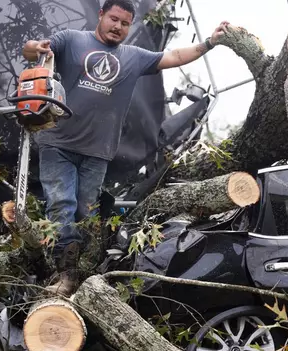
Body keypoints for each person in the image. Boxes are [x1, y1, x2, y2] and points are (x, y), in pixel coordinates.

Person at [21, 0, 229, 295]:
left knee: (85, 211)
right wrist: (35, 48)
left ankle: (84, 272)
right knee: (61, 204)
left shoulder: (133, 57)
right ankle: (64, 276)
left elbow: (175, 56)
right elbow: (32, 50)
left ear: (129, 26)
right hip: (58, 142)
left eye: (125, 23)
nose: (118, 27)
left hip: (98, 151)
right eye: (114, 19)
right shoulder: (71, 39)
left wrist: (209, 42)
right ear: (102, 15)